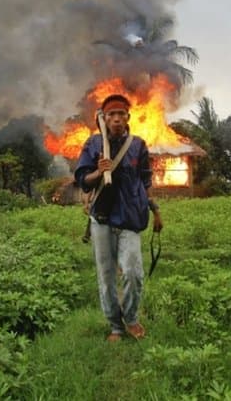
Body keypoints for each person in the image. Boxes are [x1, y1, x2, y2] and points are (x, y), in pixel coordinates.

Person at [75, 94, 164, 342]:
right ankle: (115, 325)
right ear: (104, 118)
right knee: (106, 275)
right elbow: (82, 180)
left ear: (127, 118)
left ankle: (132, 318)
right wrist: (98, 172)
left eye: (121, 114)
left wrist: (155, 210)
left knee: (133, 271)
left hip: (130, 217)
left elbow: (145, 180)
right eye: (111, 114)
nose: (116, 119)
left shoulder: (138, 145)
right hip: (102, 218)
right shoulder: (93, 144)